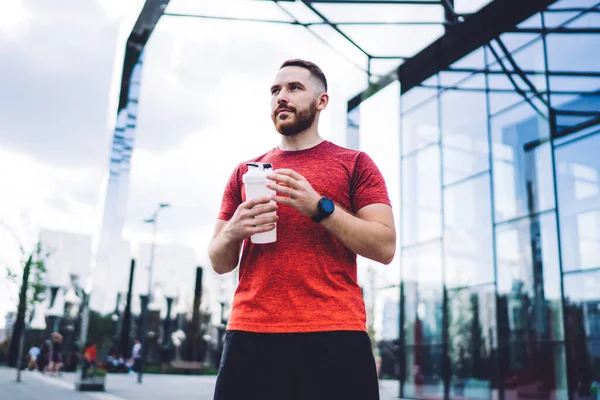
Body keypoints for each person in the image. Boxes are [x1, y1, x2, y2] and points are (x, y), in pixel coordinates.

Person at [208, 59, 396, 400]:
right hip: (252, 332)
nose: (282, 96)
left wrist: (320, 208)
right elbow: (219, 261)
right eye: (275, 90)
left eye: (294, 88)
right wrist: (233, 230)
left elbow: (384, 247)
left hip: (335, 332)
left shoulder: (356, 164)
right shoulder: (244, 173)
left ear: (322, 101)